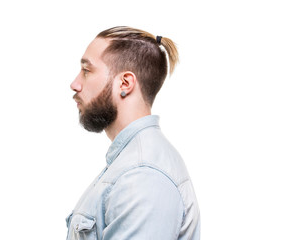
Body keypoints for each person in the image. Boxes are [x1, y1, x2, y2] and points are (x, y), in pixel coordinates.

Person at [67, 26, 200, 240]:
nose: (75, 84)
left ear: (125, 83)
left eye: (86, 71)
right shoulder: (131, 165)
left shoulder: (142, 176)